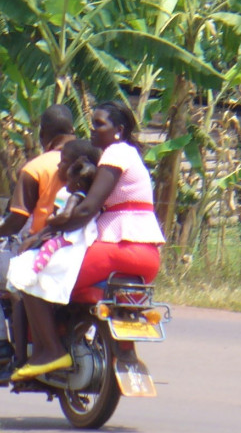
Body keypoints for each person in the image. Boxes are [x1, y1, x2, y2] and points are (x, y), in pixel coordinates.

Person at [11, 101, 165, 380]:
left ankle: (52, 352)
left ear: (119, 130)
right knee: (62, 282)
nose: (93, 130)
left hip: (119, 249)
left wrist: (44, 233)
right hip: (147, 255)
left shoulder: (115, 154)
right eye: (92, 123)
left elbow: (86, 209)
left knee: (28, 273)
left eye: (100, 124)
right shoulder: (130, 155)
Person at [0, 104, 77, 369]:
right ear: (73, 130)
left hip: (42, 248)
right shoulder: (94, 159)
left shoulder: (37, 168)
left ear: (43, 133)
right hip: (84, 247)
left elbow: (16, 222)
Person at [6, 139, 102, 301]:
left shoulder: (73, 196)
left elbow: (63, 217)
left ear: (75, 168)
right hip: (75, 242)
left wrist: (50, 221)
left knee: (34, 259)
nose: (58, 166)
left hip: (67, 241)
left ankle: (33, 273)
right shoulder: (92, 195)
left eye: (63, 161)